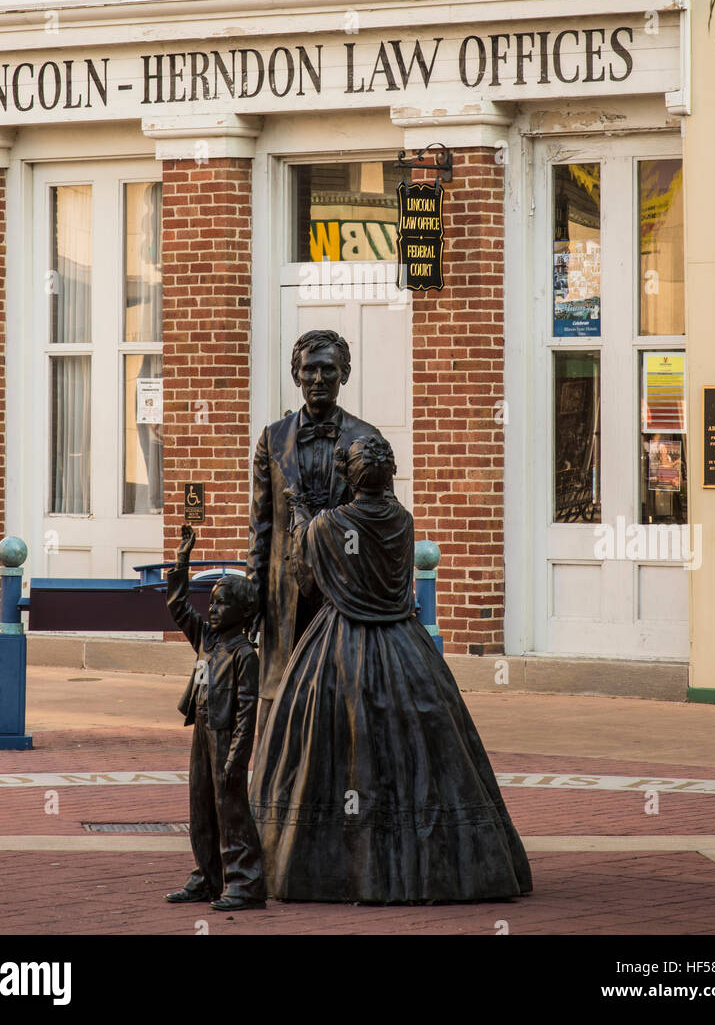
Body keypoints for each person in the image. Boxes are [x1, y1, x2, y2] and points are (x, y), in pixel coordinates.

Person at [249, 436, 533, 904]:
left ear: (348, 477)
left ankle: (328, 864)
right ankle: (419, 866)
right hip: (405, 646)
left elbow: (307, 579)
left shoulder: (329, 524)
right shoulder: (403, 519)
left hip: (339, 643)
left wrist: (301, 511)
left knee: (330, 748)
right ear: (390, 477)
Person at [246, 329, 387, 743]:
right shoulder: (272, 439)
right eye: (309, 370)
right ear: (296, 375)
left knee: (340, 695)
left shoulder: (367, 439)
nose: (318, 379)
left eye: (328, 369)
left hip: (342, 591)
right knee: (276, 697)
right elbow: (261, 527)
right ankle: (269, 790)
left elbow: (379, 525)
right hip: (284, 592)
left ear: (344, 374)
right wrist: (256, 596)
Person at [164, 525, 266, 911]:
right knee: (201, 806)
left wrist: (236, 758)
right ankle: (207, 877)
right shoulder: (207, 639)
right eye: (212, 601)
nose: (212, 608)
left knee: (231, 811)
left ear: (242, 612)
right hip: (202, 731)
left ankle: (245, 883)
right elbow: (177, 606)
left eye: (221, 604)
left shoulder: (244, 655)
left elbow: (246, 710)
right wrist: (182, 561)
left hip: (225, 737)